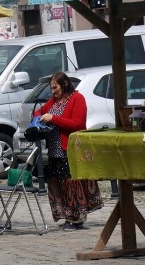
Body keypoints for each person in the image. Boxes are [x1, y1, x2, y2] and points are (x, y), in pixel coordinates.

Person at [33, 71, 102, 231]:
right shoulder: (54, 102)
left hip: (70, 148)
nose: (53, 91)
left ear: (64, 85)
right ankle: (65, 215)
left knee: (71, 183)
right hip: (55, 150)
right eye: (51, 88)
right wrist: (38, 117)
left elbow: (77, 124)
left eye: (55, 87)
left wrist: (53, 119)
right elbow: (39, 111)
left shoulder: (78, 99)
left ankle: (76, 217)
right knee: (58, 183)